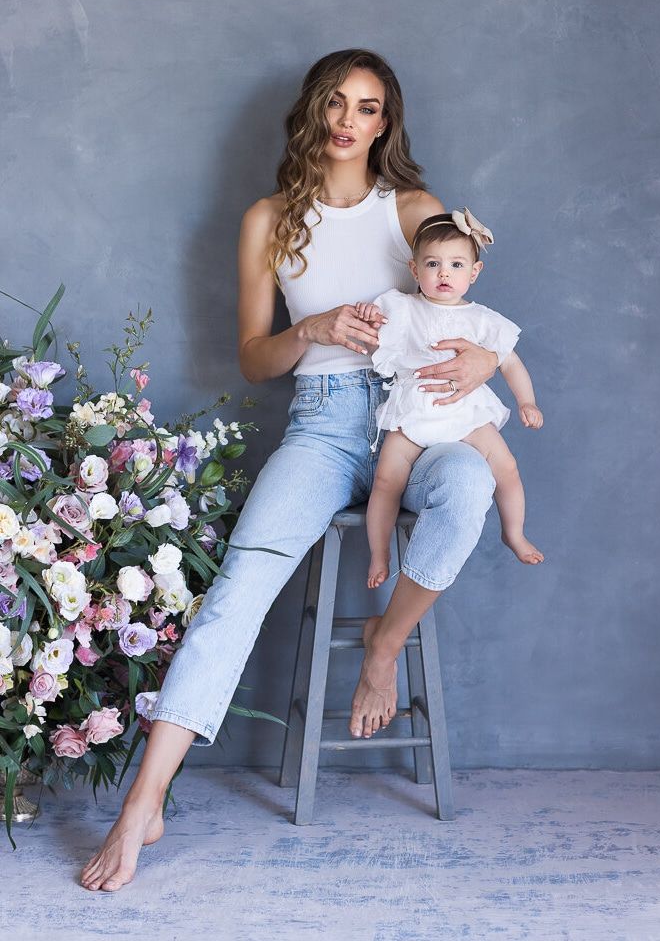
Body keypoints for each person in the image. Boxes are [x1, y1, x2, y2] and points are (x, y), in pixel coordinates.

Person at [81, 49, 499, 892]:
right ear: (315, 111)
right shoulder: (267, 219)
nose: (351, 120)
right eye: (338, 103)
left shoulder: (413, 209)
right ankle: (143, 803)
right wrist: (309, 331)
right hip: (320, 427)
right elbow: (250, 358)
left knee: (471, 486)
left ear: (387, 122)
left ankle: (385, 642)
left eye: (370, 108)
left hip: (409, 419)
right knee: (238, 584)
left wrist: (486, 364)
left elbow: (467, 313)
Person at [355, 208, 544, 590]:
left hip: (467, 412)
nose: (444, 273)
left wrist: (527, 401)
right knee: (387, 480)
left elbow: (511, 363)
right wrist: (369, 316)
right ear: (414, 269)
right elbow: (373, 333)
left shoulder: (484, 320)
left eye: (456, 264)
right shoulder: (403, 308)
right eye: (433, 264)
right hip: (414, 409)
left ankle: (515, 532)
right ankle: (379, 553)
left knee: (505, 468)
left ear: (473, 274)